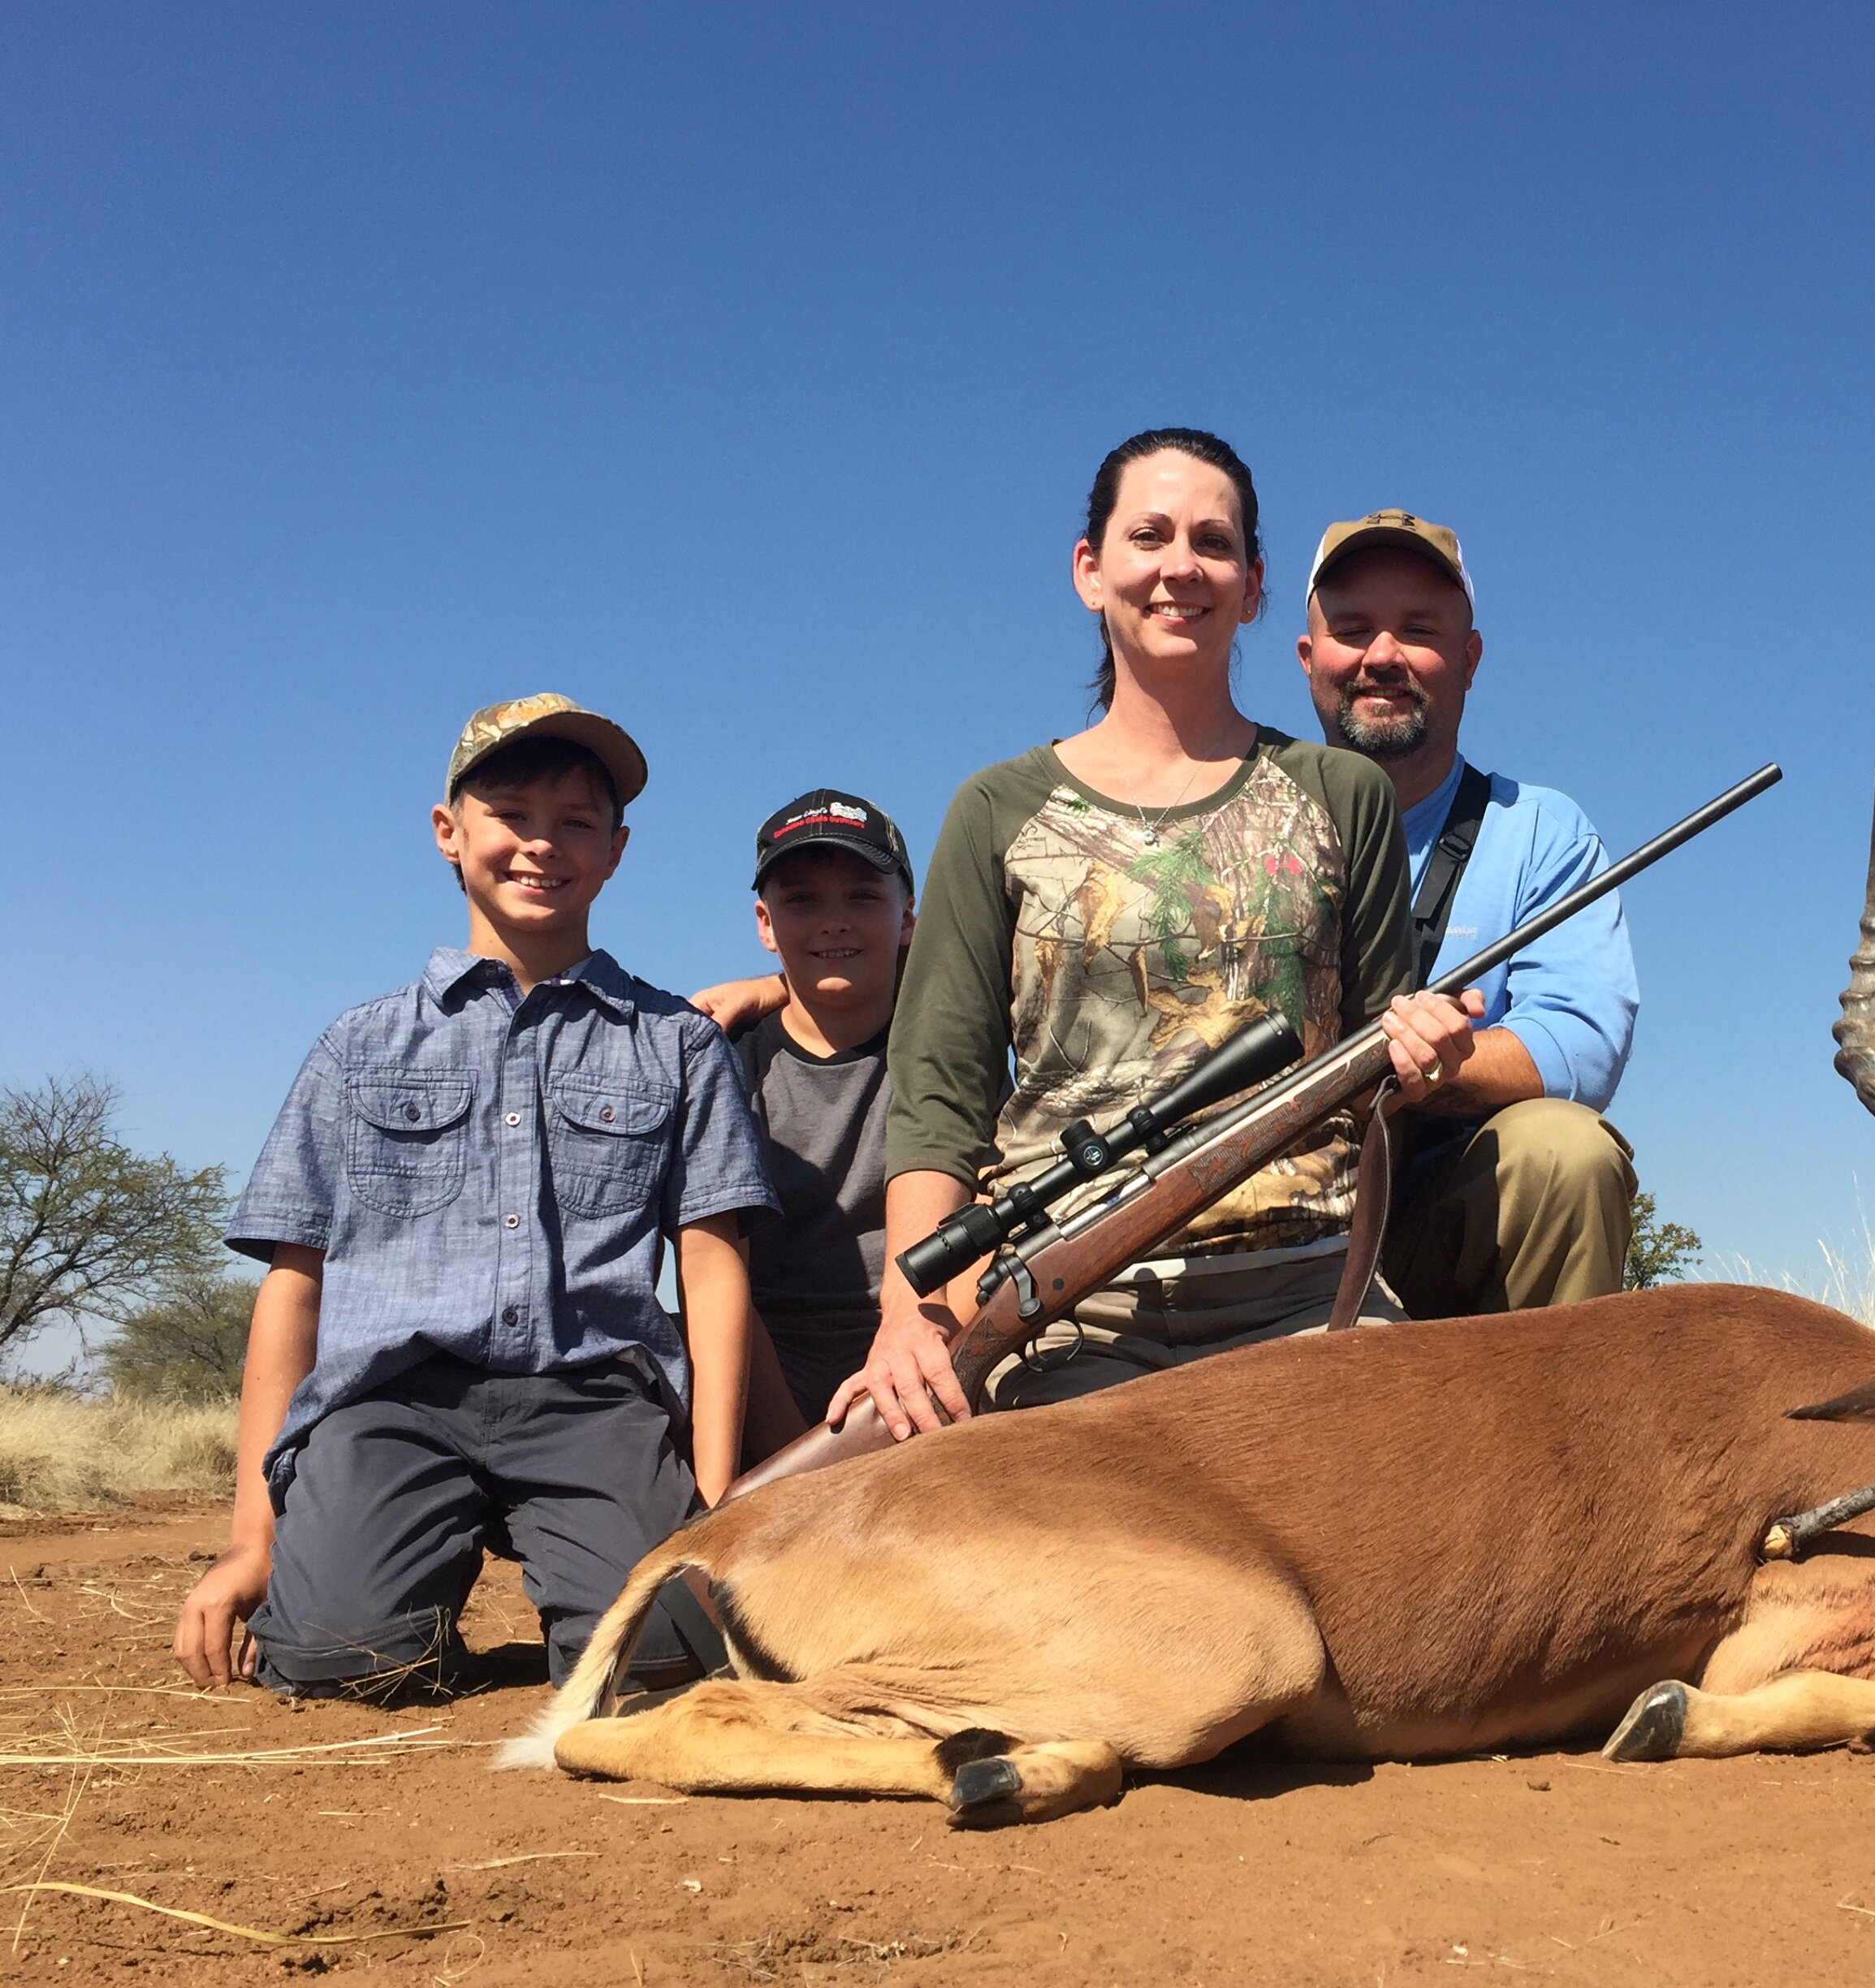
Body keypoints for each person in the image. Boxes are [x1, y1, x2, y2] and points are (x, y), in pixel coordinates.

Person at [707, 429, 1477, 1442]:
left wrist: (1426, 1055)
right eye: (1148, 534)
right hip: (1070, 1303)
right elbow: (940, 1096)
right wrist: (909, 1312)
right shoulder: (995, 807)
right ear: (1090, 570)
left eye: (1212, 542)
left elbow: (1377, 1066)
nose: (1178, 566)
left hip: (1306, 1291)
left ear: (1251, 585)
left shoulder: (1344, 792)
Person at [171, 695, 774, 1697]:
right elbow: (295, 1286)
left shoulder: (677, 1043)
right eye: (512, 814)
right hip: (393, 1401)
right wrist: (251, 1540)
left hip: (594, 1398)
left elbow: (712, 1268)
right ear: (449, 833)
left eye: (577, 822)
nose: (543, 844)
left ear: (617, 851)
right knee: (339, 1663)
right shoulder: (358, 1045)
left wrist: (711, 1497)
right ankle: (368, 1585)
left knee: (657, 1670)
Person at [1296, 510, 1640, 1318]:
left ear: (1470, 657)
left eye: (1419, 629)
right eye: (1353, 629)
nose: (1383, 656)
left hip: (1429, 1223)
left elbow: (1583, 1044)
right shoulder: (1231, 816)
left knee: (1565, 1155)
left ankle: (1550, 1437)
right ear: (1310, 658)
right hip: (1258, 1218)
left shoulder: (1541, 830)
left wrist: (1436, 1066)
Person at [725, 789, 915, 1461]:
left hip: (919, 1334)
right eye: (801, 900)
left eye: (863, 896)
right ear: (765, 923)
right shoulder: (723, 1062)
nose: (833, 922)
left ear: (907, 919)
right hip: (761, 1354)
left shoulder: (955, 1047)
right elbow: (720, 1279)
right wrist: (791, 1454)